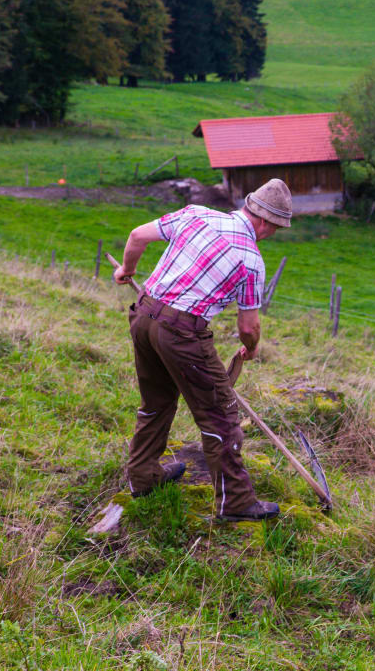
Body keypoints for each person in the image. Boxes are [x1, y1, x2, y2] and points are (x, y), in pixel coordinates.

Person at [113, 178, 292, 521]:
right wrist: (251, 349)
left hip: (144, 313)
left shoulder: (196, 215)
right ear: (266, 222)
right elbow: (248, 327)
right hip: (182, 333)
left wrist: (128, 270)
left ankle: (143, 477)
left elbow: (137, 236)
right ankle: (236, 502)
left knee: (156, 402)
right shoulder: (251, 260)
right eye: (277, 228)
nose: (273, 234)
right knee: (221, 418)